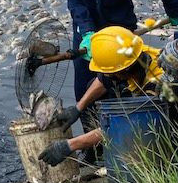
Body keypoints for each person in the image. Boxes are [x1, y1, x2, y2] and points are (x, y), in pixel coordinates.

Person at [58, 0, 178, 161]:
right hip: (85, 32)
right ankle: (93, 152)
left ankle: (121, 143)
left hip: (120, 31)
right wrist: (87, 33)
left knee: (124, 93)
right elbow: (74, 1)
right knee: (85, 87)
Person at [39, 26, 169, 167]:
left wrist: (71, 145)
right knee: (92, 85)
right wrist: (78, 108)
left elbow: (129, 123)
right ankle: (98, 149)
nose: (108, 76)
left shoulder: (157, 81)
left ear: (124, 70)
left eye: (112, 73)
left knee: (136, 129)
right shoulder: (133, 54)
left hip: (169, 130)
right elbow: (103, 80)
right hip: (142, 102)